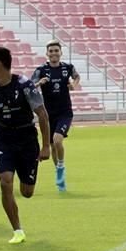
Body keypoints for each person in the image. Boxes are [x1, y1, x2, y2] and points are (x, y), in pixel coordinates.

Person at [0, 47, 51, 244]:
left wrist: (46, 146)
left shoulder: (24, 85)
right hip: (4, 138)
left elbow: (42, 114)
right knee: (6, 181)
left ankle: (7, 169)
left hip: (27, 140)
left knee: (27, 192)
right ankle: (17, 231)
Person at [31, 40, 80, 192]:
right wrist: (39, 83)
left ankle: (60, 166)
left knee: (57, 140)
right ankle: (59, 174)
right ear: (47, 53)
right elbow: (31, 85)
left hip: (64, 112)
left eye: (56, 50)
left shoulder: (67, 67)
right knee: (52, 145)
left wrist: (74, 85)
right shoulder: (41, 69)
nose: (53, 53)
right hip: (48, 113)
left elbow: (77, 77)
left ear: (60, 53)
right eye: (51, 51)